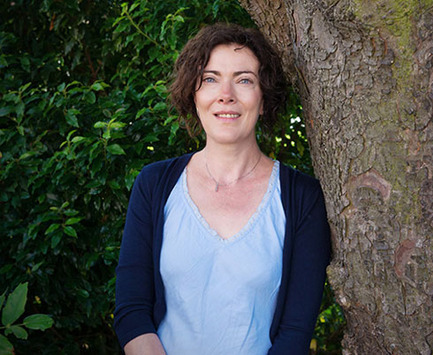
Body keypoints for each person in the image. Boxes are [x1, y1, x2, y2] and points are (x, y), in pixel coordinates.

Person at [113, 23, 332, 355]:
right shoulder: (154, 184)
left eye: (244, 80)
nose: (225, 94)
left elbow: (295, 332)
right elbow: (132, 312)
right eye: (211, 78)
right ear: (194, 93)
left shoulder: (302, 197)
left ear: (264, 99)